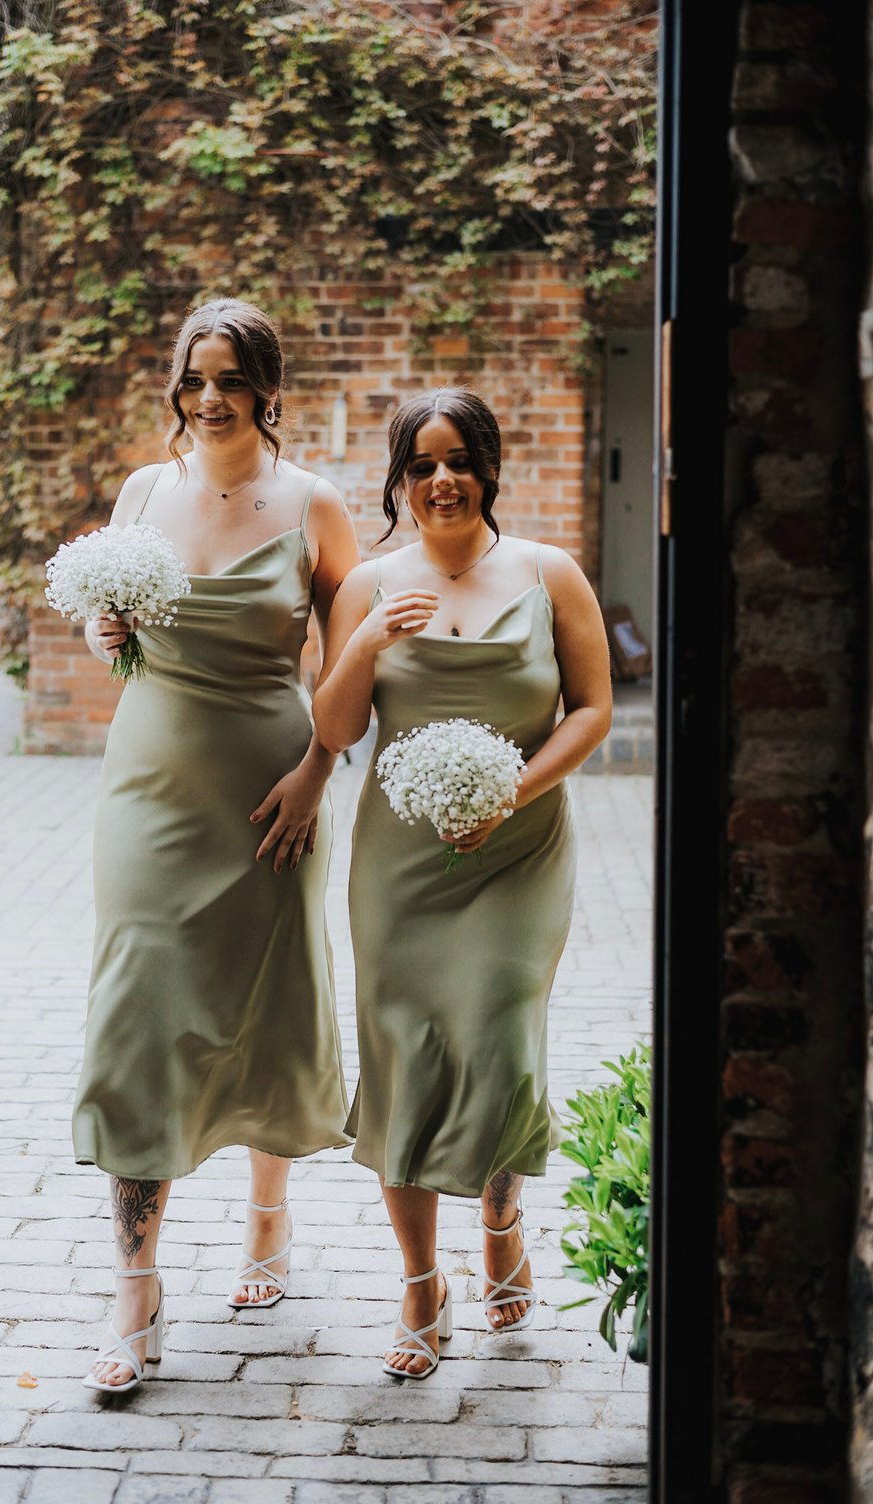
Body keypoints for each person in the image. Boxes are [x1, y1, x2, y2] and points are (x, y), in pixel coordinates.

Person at [73, 297, 360, 1392]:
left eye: (229, 378)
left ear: (265, 389)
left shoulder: (313, 507)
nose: (208, 398)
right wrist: (111, 630)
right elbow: (124, 636)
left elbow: (346, 669)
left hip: (268, 789)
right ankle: (135, 1289)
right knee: (138, 1010)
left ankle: (269, 1225)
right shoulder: (145, 489)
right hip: (147, 784)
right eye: (193, 378)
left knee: (266, 1000)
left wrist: (317, 776)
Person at [313, 387, 611, 1380]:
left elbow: (593, 711)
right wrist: (364, 643)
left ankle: (502, 1215)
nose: (440, 479)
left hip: (519, 853)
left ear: (487, 468)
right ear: (399, 481)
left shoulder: (547, 573)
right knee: (403, 1059)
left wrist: (512, 794)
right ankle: (420, 1284)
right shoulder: (369, 585)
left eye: (458, 459)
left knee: (492, 1036)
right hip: (398, 865)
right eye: (420, 463)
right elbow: (336, 730)